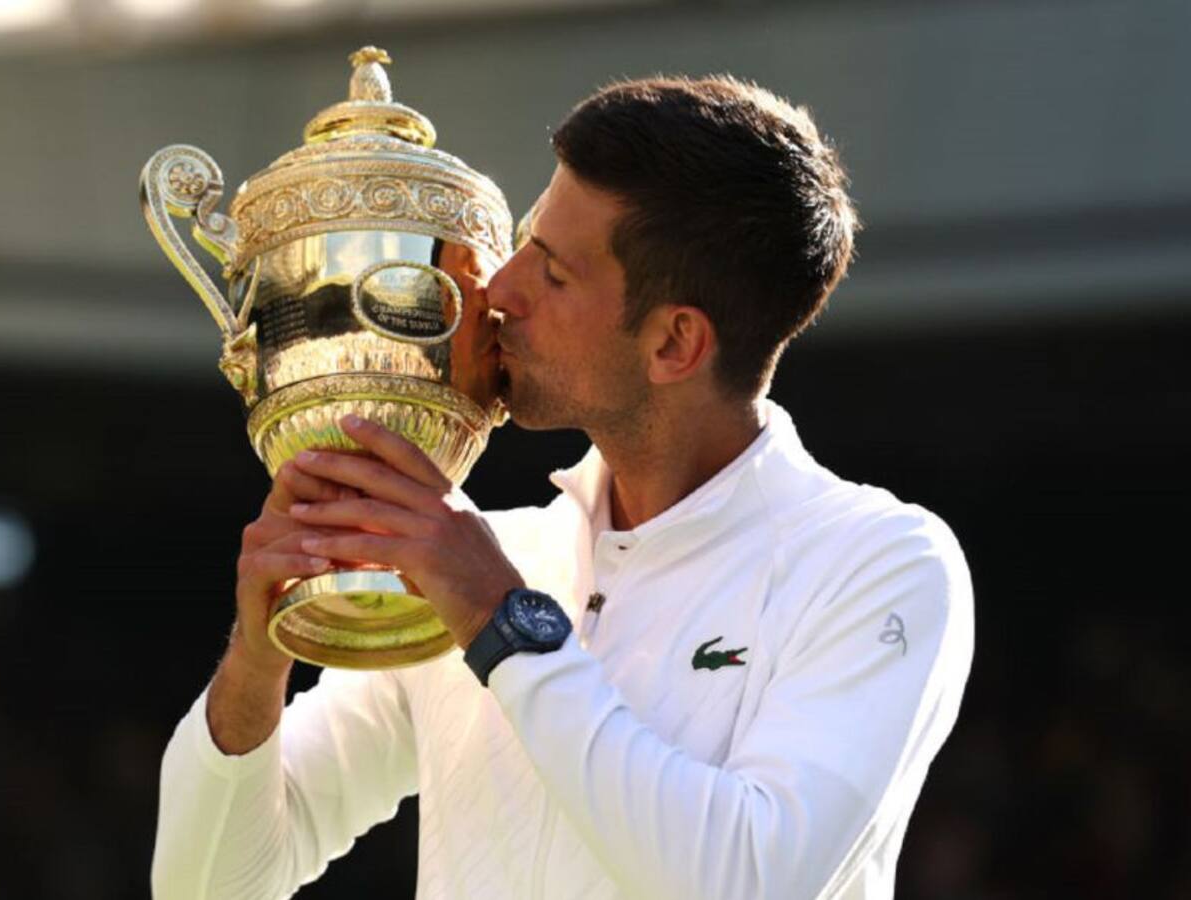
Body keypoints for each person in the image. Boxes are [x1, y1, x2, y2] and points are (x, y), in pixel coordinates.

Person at [152, 76, 974, 900]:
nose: (498, 291)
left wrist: (501, 621)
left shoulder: (882, 564)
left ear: (674, 344)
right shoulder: (488, 560)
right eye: (522, 244)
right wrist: (259, 662)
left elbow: (747, 881)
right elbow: (208, 887)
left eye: (550, 273)